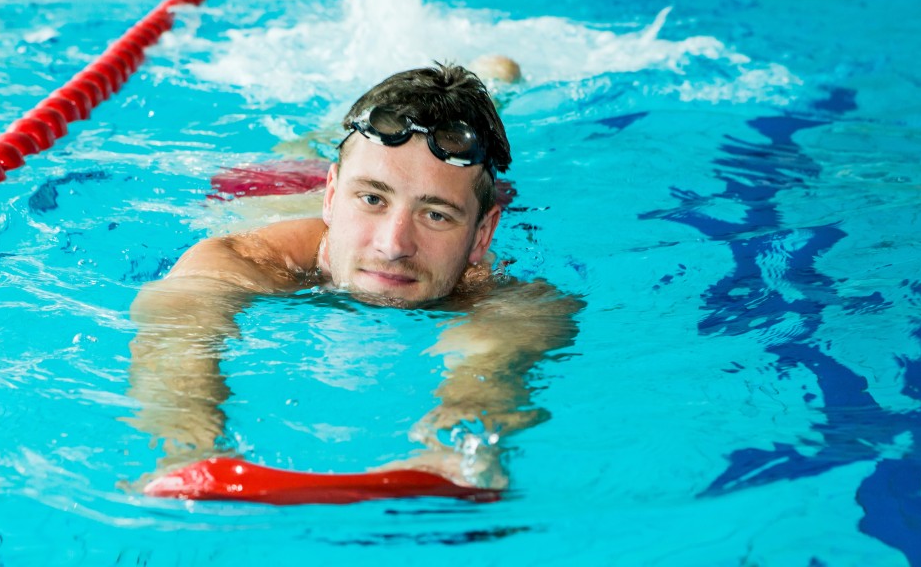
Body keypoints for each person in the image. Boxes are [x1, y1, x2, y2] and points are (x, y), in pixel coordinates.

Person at [128, 64, 581, 489]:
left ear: (482, 235)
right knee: (302, 150)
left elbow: (501, 351)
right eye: (371, 200)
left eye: (436, 215)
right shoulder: (249, 259)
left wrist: (457, 445)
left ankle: (495, 80)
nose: (393, 244)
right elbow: (180, 329)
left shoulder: (493, 290)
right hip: (277, 186)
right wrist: (189, 447)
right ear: (330, 197)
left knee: (495, 87)